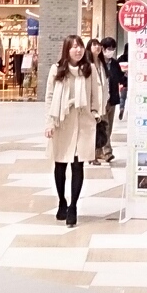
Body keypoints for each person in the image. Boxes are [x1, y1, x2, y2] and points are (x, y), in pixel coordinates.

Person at [45, 34, 105, 226]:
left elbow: (96, 95)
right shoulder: (56, 69)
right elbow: (49, 96)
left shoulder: (89, 68)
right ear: (67, 49)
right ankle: (62, 201)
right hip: (62, 121)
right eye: (74, 47)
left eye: (80, 46)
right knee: (60, 164)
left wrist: (95, 113)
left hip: (83, 122)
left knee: (78, 165)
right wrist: (49, 122)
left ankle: (73, 206)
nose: (78, 50)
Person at [100, 36, 124, 162]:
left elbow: (120, 78)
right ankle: (107, 152)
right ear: (103, 49)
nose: (111, 51)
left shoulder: (114, 64)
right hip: (101, 100)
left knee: (109, 126)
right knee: (105, 126)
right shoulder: (98, 63)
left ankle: (99, 151)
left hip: (112, 99)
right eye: (109, 48)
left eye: (113, 49)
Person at [86, 37, 109, 163]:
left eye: (99, 45)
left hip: (102, 101)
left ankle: (98, 153)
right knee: (92, 130)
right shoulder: (87, 64)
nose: (97, 47)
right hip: (91, 102)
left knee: (100, 129)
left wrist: (107, 98)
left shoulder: (101, 63)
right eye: (94, 45)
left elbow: (105, 83)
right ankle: (91, 156)